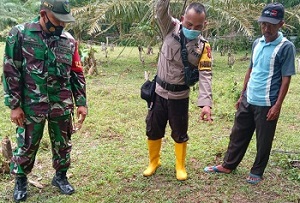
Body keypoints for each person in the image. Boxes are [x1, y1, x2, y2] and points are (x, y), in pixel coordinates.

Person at [2, 0, 87, 201]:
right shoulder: (20, 34)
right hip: (32, 104)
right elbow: (10, 70)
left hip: (62, 102)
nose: (62, 26)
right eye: (58, 21)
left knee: (63, 142)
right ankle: (21, 181)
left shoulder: (68, 40)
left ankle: (60, 177)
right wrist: (14, 106)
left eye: (65, 22)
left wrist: (81, 102)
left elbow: (76, 73)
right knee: (27, 144)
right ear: (43, 14)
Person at [204, 2, 296, 185]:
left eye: (271, 24)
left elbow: (286, 79)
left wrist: (277, 105)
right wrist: (242, 95)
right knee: (238, 133)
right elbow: (250, 70)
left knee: (263, 140)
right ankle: (228, 165)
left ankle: (257, 171)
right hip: (249, 98)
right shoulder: (257, 43)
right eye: (263, 23)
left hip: (267, 102)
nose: (266, 28)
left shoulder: (286, 47)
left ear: (281, 24)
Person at [143, 0, 212, 181]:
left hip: (180, 96)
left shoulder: (204, 47)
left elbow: (205, 74)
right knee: (153, 128)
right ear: (182, 19)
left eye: (198, 26)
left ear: (204, 25)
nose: (192, 28)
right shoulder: (169, 28)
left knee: (180, 131)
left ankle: (180, 166)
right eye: (189, 24)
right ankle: (153, 162)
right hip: (158, 92)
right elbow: (160, 10)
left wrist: (206, 103)